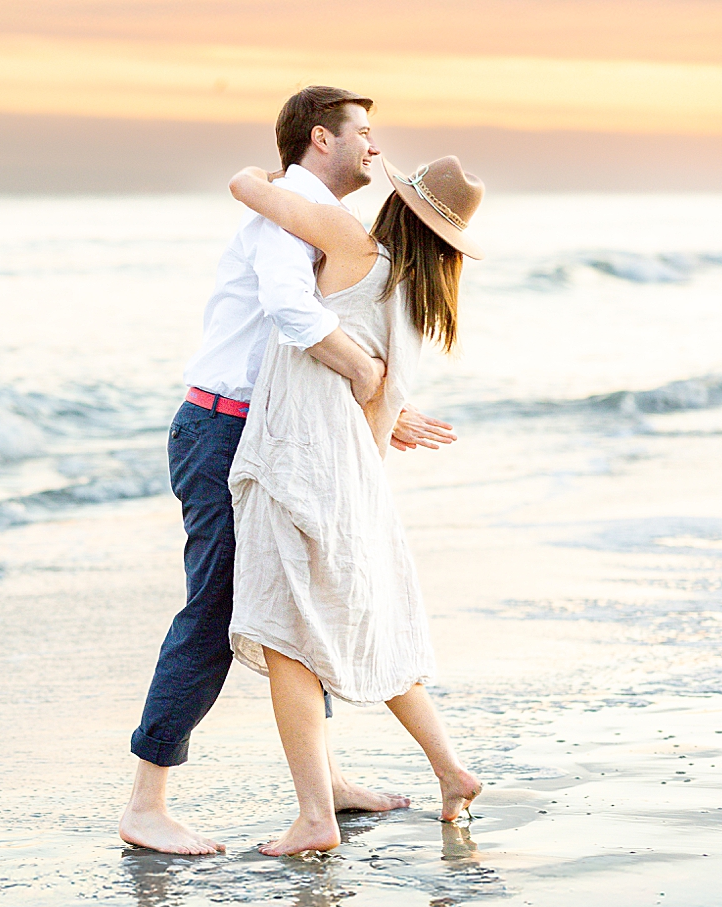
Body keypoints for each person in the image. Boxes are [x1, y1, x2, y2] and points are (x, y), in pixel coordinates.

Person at [118, 86, 459, 855]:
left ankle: (325, 785)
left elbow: (310, 344)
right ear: (319, 139)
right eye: (363, 133)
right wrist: (371, 379)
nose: (375, 147)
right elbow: (291, 313)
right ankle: (146, 800)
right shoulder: (285, 209)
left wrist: (377, 402)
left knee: (302, 601)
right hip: (223, 428)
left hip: (271, 428)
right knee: (214, 611)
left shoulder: (309, 212)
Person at [226, 152, 487, 855]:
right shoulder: (417, 299)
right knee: (367, 626)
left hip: (301, 460)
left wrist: (270, 170)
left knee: (286, 634)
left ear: (399, 205)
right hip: (353, 473)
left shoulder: (352, 244)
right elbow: (378, 393)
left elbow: (251, 190)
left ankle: (316, 816)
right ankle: (451, 769)